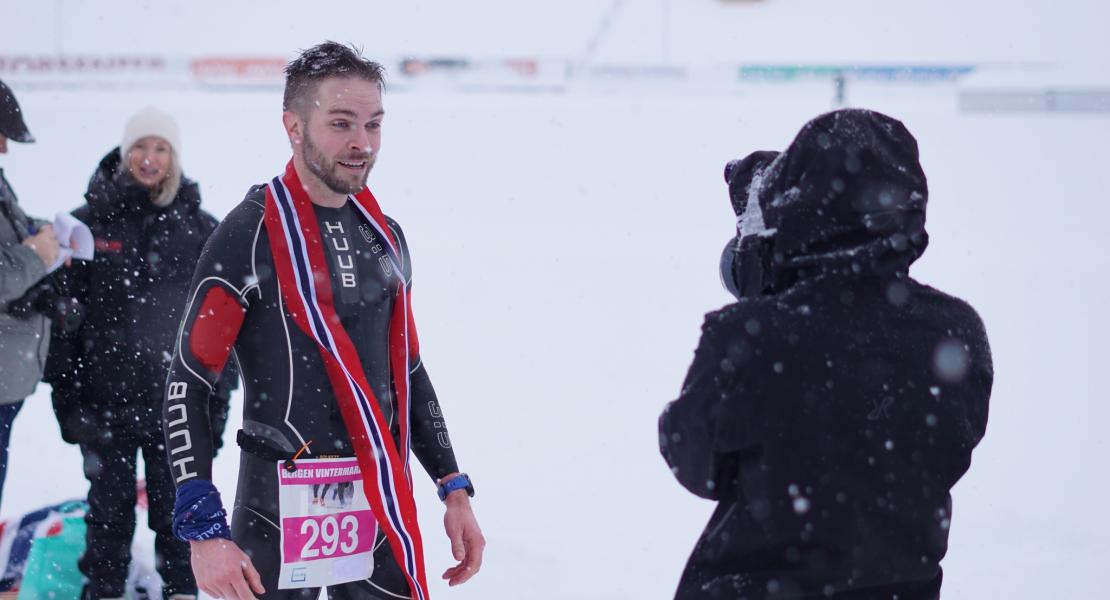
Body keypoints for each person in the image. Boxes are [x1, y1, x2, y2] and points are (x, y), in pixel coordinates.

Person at [163, 42, 484, 600]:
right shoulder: (250, 233)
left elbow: (406, 372)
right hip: (276, 513)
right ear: (293, 125)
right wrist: (202, 528)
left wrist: (453, 486)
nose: (362, 144)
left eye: (373, 125)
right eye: (341, 124)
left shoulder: (385, 238)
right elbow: (188, 381)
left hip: (377, 501)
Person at [659, 109, 992, 599]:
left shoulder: (750, 336)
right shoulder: (956, 332)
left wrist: (770, 296)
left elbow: (695, 461)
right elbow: (941, 454)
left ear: (791, 211)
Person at [43, 106, 237, 599]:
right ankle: (104, 589)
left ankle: (181, 590)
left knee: (179, 511)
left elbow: (223, 327)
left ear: (174, 158)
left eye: (160, 148)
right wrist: (69, 402)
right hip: (102, 404)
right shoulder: (85, 226)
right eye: (140, 147)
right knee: (107, 511)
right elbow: (64, 324)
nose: (149, 158)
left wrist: (213, 410)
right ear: (124, 152)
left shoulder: (200, 230)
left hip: (175, 405)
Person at [0, 78, 64, 510]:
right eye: (2, 136)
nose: (5, 149)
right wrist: (35, 256)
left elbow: (12, 231)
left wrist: (44, 234)